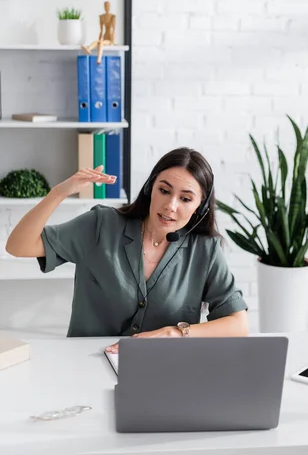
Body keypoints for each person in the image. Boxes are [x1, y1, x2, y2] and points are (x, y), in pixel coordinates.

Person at [6, 148, 248, 352]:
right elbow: (18, 246)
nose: (170, 206)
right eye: (164, 191)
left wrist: (174, 333)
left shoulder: (205, 250)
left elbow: (238, 325)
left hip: (163, 368)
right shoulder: (101, 225)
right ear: (150, 189)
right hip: (86, 363)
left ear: (200, 207)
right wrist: (59, 193)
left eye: (185, 199)